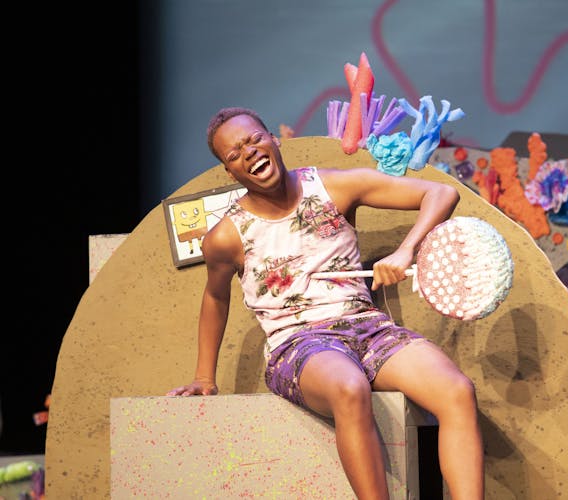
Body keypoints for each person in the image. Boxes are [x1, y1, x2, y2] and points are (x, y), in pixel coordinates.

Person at [167, 107, 484, 499]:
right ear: (230, 173)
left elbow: (441, 193)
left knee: (456, 391)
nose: (248, 152)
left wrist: (406, 251)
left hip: (368, 329)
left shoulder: (332, 187)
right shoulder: (225, 237)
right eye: (235, 154)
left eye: (254, 139)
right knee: (349, 387)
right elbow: (215, 298)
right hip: (298, 344)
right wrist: (204, 377)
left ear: (274, 140)